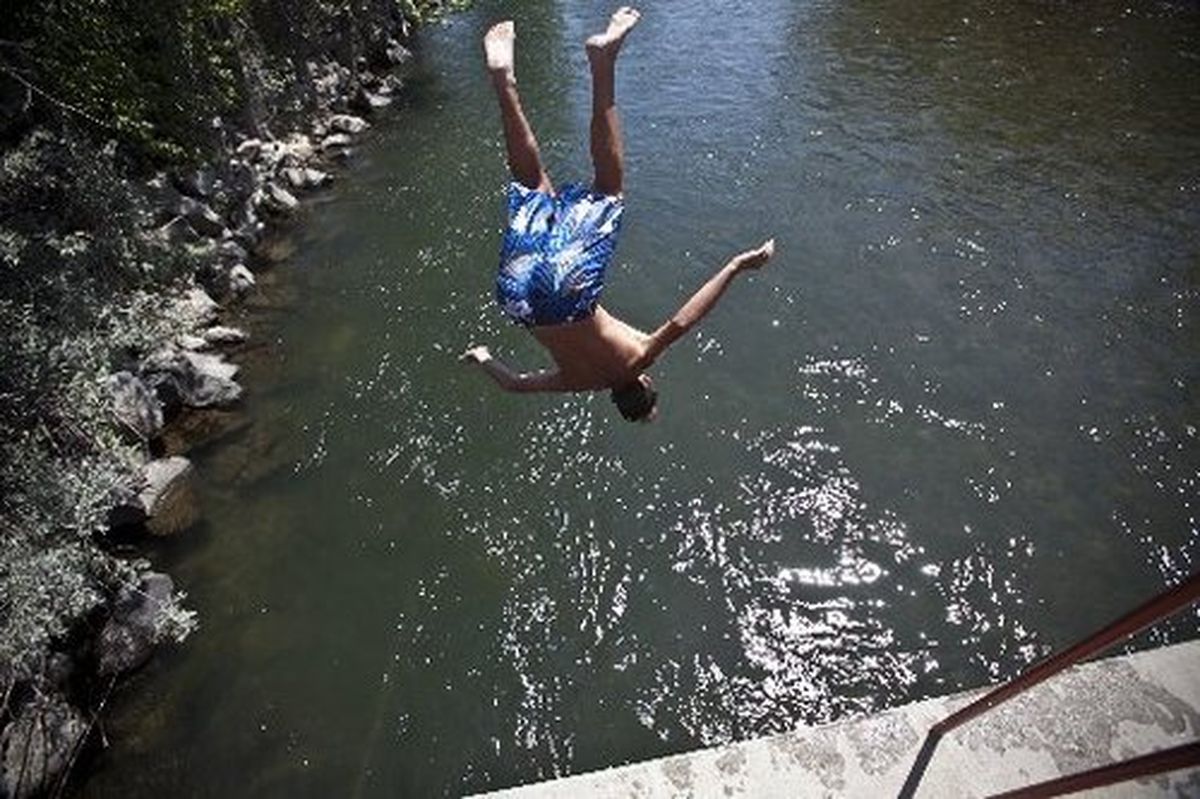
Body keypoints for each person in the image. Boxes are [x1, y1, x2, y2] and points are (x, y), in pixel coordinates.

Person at [461, 8, 775, 422]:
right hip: (518, 299)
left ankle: (603, 62)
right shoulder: (576, 382)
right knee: (532, 185)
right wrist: (483, 357)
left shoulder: (639, 358)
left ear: (645, 384)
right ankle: (502, 80)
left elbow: (684, 321)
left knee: (608, 187)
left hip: (568, 294)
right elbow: (514, 383)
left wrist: (737, 266)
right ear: (614, 398)